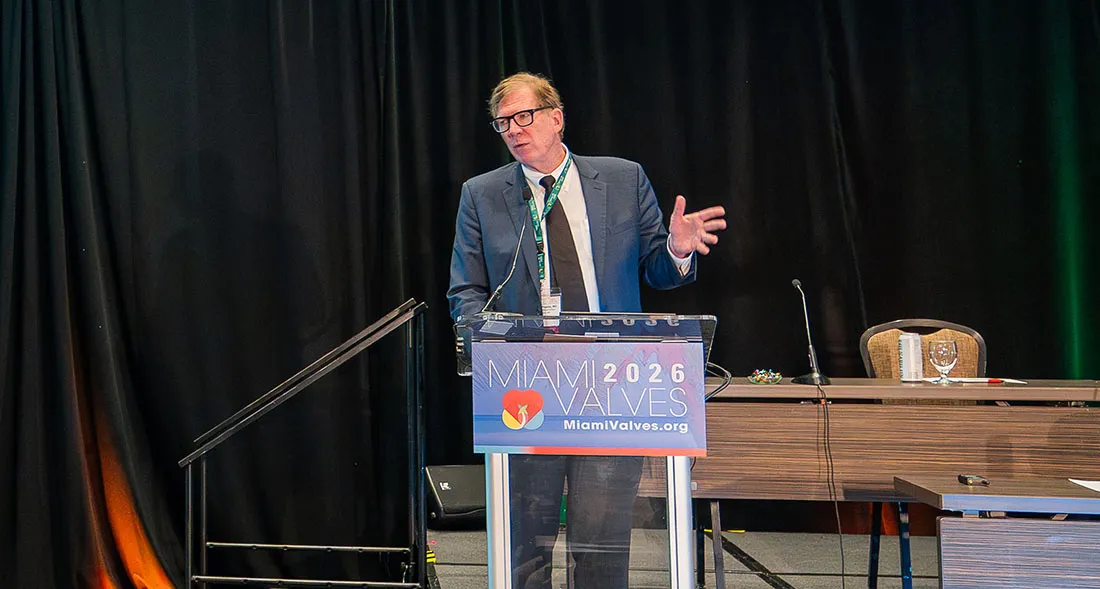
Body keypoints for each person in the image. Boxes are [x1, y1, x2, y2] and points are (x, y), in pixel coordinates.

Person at [447, 72, 726, 588]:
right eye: (503, 123)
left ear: (556, 118)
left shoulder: (621, 179)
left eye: (524, 116)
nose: (513, 130)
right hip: (524, 386)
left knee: (600, 542)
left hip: (611, 383)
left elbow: (656, 270)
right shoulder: (482, 194)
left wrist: (677, 249)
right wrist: (486, 349)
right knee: (525, 543)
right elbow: (465, 290)